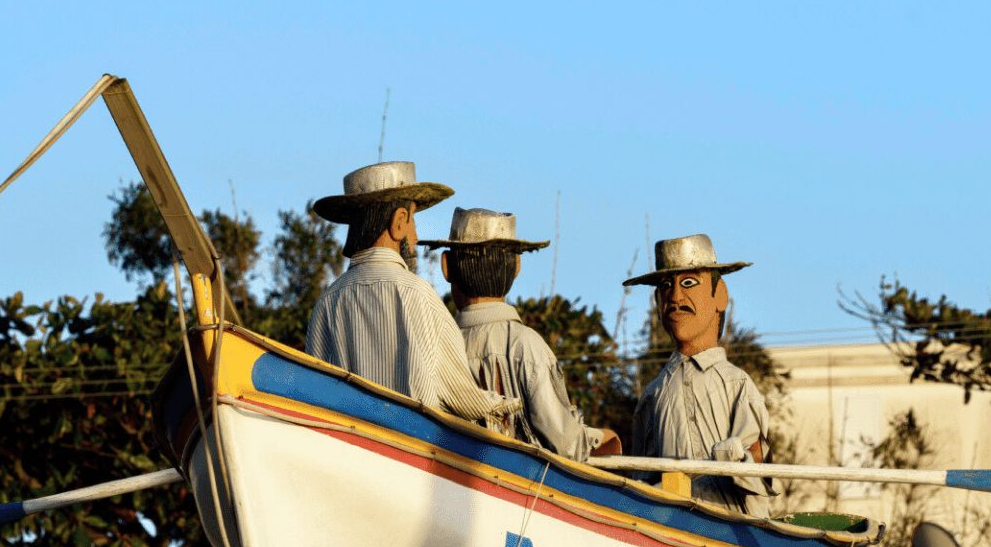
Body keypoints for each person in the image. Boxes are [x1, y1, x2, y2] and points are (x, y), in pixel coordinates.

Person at [305, 161, 514, 426]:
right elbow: (462, 398)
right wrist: (503, 404)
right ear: (398, 221)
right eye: (412, 220)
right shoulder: (417, 293)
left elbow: (315, 394)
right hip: (412, 444)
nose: (415, 237)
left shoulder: (326, 303)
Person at [436, 207, 620, 461]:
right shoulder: (526, 345)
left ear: (446, 267)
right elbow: (566, 445)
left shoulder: (436, 344)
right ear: (516, 266)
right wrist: (600, 438)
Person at [624, 234, 774, 517]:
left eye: (689, 283)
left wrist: (737, 461)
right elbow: (642, 479)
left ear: (720, 295)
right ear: (657, 301)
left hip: (729, 529)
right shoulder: (653, 395)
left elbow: (758, 481)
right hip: (670, 527)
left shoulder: (736, 384)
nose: (675, 297)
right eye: (665, 287)